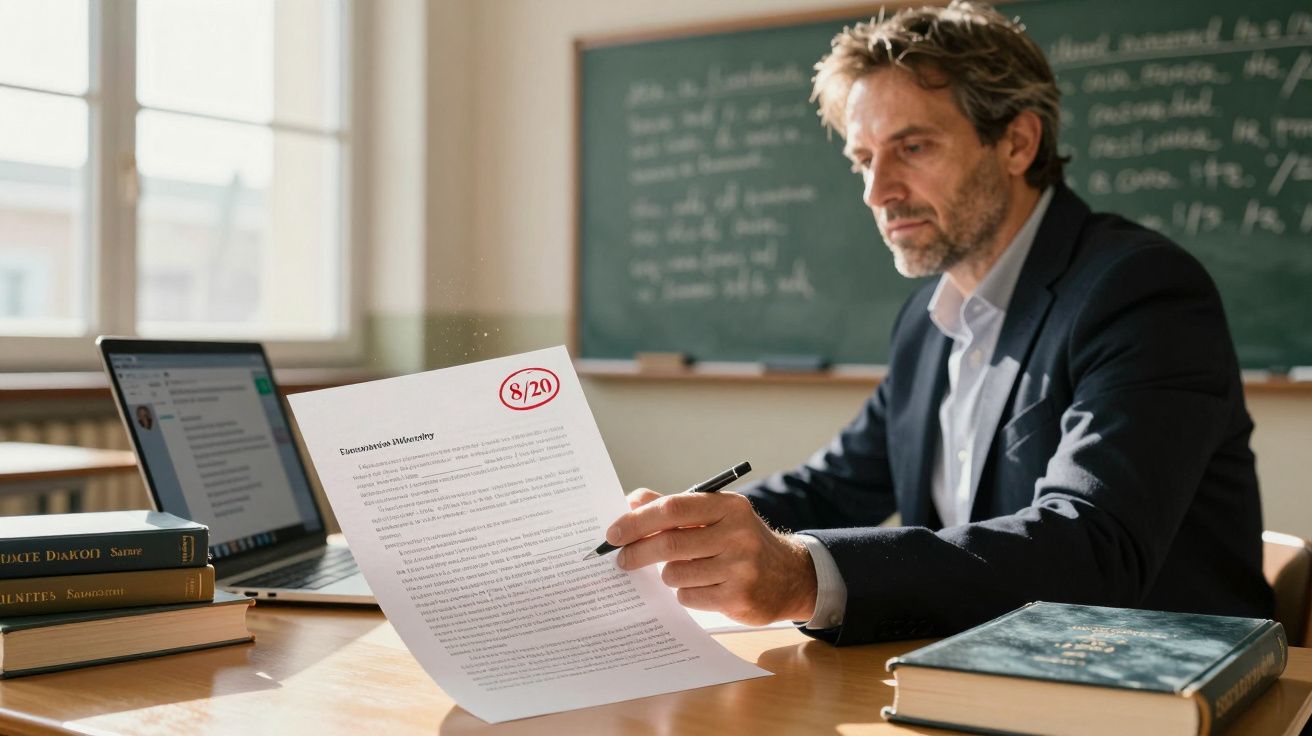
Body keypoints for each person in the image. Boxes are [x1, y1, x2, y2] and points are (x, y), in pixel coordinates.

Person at [602, 1, 1272, 645]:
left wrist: (802, 576)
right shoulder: (929, 321)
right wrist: (686, 531)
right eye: (863, 160)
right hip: (975, 678)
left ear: (1016, 141)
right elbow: (835, 488)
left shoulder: (1139, 292)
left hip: (1154, 695)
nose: (876, 190)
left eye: (912, 147)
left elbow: (1091, 544)